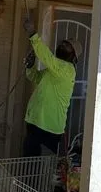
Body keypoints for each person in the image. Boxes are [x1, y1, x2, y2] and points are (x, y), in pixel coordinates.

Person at [21, 15, 82, 156]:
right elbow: (35, 77)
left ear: (73, 57)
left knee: (43, 170)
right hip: (36, 122)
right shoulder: (54, 70)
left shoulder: (68, 70)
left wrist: (32, 34)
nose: (62, 46)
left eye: (67, 46)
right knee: (29, 166)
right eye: (63, 44)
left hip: (49, 127)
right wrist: (30, 67)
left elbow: (47, 58)